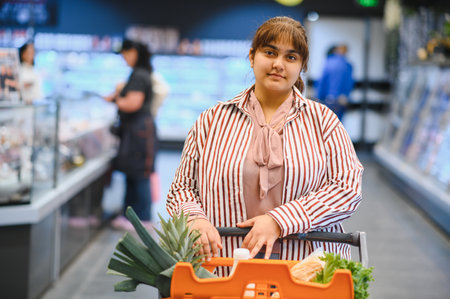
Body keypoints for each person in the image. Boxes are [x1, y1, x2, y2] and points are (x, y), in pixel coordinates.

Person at [166, 16, 363, 276]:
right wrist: (194, 218)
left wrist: (279, 221)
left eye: (291, 57)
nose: (278, 64)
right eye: (270, 52)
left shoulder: (324, 122)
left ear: (301, 66)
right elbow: (181, 188)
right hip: (222, 267)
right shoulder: (212, 120)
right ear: (252, 56)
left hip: (304, 270)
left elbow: (347, 188)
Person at [104, 39, 156, 230]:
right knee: (133, 172)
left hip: (139, 133)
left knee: (139, 173)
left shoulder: (139, 75)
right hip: (137, 131)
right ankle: (132, 217)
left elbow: (132, 103)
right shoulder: (141, 73)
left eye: (125, 54)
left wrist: (116, 98)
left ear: (134, 52)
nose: (124, 58)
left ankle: (142, 219)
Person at [315, 44, 354, 120]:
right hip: (341, 100)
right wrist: (346, 96)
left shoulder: (328, 62)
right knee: (338, 125)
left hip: (327, 99)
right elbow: (349, 83)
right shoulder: (348, 65)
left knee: (325, 124)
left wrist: (318, 97)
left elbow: (322, 81)